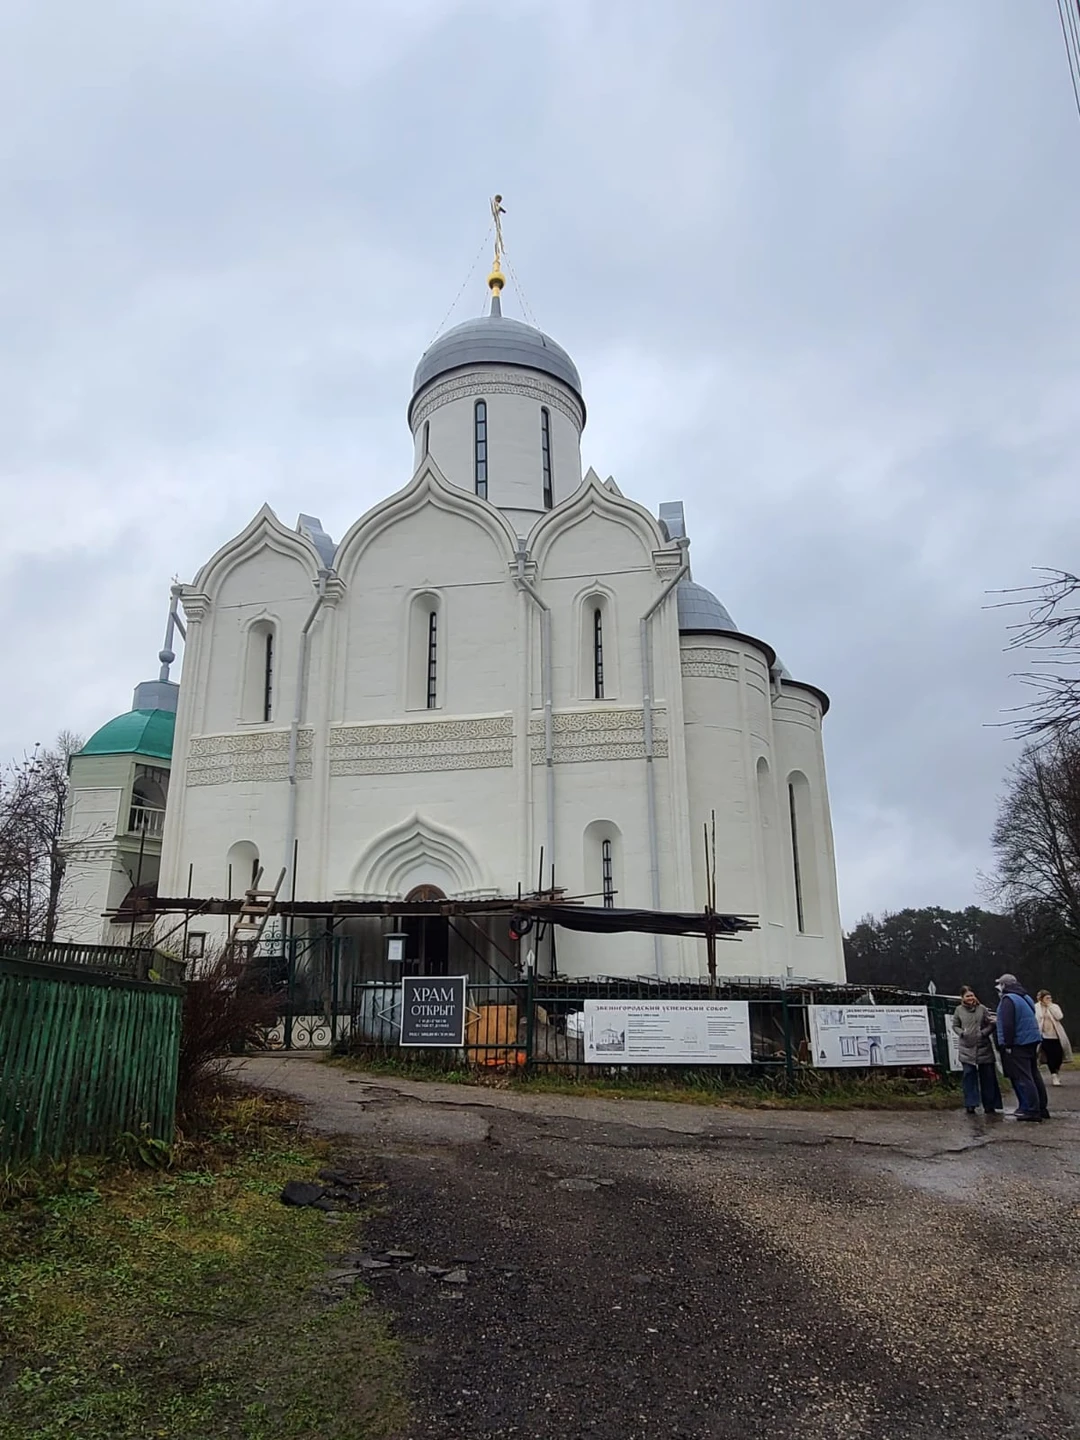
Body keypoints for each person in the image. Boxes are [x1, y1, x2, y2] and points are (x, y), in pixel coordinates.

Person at [994, 973, 1049, 1121]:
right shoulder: (1025, 997)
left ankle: (1032, 1110)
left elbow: (1008, 1024)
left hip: (1019, 1042)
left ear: (1004, 985)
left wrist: (1008, 1044)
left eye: (1000, 984)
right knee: (1034, 1074)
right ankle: (1042, 1107)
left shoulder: (1008, 999)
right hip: (1032, 1040)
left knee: (1024, 1077)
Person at [951, 987, 1002, 1115]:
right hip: (966, 1048)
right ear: (962, 998)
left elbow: (991, 1024)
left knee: (988, 1077)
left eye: (972, 995)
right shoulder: (958, 1010)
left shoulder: (982, 1009)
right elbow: (955, 1025)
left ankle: (990, 1105)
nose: (970, 998)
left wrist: (983, 1033)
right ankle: (971, 1104)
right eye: (967, 996)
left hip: (983, 1047)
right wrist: (962, 1033)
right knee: (969, 1076)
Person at [1034, 990, 1071, 1087]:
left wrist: (1050, 1006)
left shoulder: (1054, 1006)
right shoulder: (1036, 1007)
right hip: (1044, 1036)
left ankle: (1057, 1071)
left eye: (1050, 998)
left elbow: (1059, 1016)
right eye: (1047, 998)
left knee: (1058, 1056)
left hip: (1056, 1035)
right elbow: (1036, 1019)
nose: (1049, 999)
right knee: (1050, 1056)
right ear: (1041, 998)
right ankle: (1054, 1075)